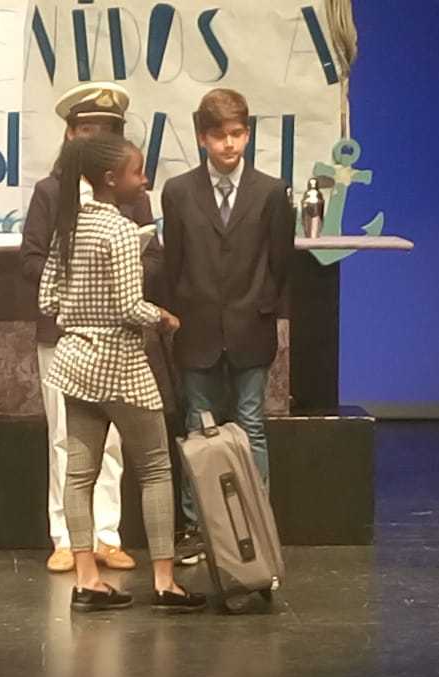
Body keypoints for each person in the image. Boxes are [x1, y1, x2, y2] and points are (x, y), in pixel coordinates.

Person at [38, 132, 206, 613]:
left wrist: (81, 314)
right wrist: (163, 317)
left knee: (78, 474)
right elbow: (131, 305)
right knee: (155, 468)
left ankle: (87, 580)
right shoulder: (120, 230)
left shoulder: (69, 225)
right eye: (138, 172)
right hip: (120, 363)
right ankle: (165, 582)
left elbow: (47, 299)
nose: (145, 180)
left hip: (75, 362)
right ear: (112, 179)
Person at [21, 82, 167, 574]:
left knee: (115, 442)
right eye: (87, 130)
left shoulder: (128, 191)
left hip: (119, 336)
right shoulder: (51, 192)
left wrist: (120, 276)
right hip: (66, 334)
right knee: (67, 438)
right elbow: (33, 258)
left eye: (106, 131)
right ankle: (65, 536)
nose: (95, 138)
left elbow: (152, 256)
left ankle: (107, 534)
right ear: (70, 134)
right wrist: (78, 285)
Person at [160, 88, 295, 564]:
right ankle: (198, 527)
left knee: (251, 423)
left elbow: (280, 261)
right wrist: (178, 311)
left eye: (237, 134)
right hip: (196, 325)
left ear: (248, 134)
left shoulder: (271, 191)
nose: (229, 144)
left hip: (250, 324)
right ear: (202, 138)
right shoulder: (178, 192)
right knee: (200, 428)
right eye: (219, 136)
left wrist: (263, 305)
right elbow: (173, 262)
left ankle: (255, 522)